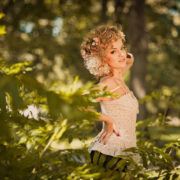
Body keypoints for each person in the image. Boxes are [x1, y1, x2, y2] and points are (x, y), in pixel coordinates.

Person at [80, 24, 140, 172]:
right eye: (113, 51)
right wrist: (108, 121)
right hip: (110, 154)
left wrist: (125, 56)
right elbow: (79, 105)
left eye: (122, 48)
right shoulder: (107, 84)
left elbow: (129, 60)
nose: (121, 54)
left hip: (126, 152)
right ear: (102, 59)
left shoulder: (119, 77)